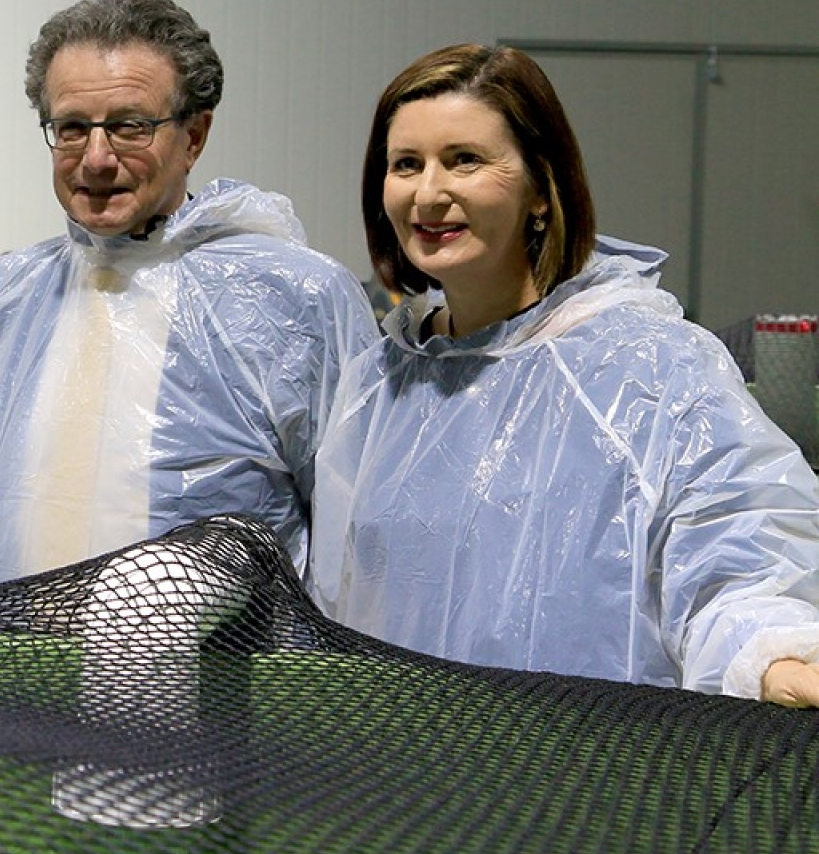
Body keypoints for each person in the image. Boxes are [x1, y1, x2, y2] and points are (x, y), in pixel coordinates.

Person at [310, 43, 819, 705]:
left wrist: (774, 656)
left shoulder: (651, 367)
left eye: (464, 159)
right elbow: (339, 595)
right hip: (405, 783)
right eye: (406, 164)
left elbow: (741, 557)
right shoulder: (377, 385)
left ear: (542, 190)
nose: (429, 193)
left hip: (587, 786)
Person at [0, 0, 377, 590]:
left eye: (129, 127)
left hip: (216, 679)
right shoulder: (8, 297)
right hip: (18, 668)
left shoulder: (294, 299)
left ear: (194, 136)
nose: (96, 158)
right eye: (72, 128)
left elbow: (353, 543)